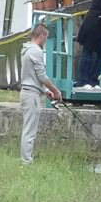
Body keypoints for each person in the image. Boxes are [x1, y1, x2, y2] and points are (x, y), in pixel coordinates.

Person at [20, 24, 62, 164]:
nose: (45, 41)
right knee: (30, 131)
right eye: (46, 38)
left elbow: (31, 76)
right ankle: (26, 162)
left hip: (28, 92)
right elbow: (42, 76)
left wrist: (46, 91)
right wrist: (56, 91)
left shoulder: (26, 50)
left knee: (28, 129)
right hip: (32, 96)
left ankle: (26, 160)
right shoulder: (36, 51)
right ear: (42, 36)